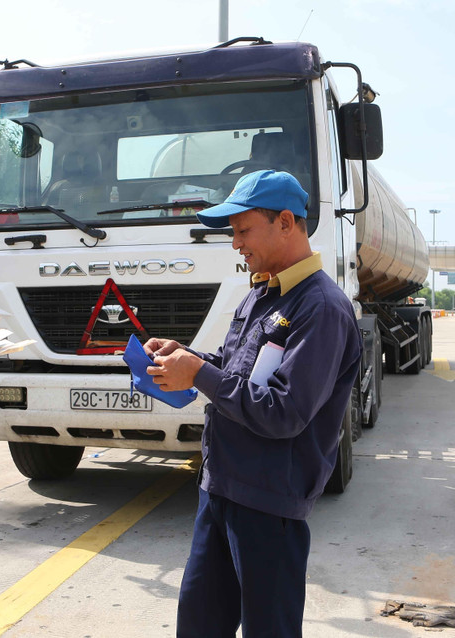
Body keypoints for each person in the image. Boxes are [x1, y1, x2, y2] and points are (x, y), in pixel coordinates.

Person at [144, 170, 362, 637]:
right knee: (200, 624)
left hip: (268, 504)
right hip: (220, 488)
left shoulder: (320, 308)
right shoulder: (263, 293)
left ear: (286, 222)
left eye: (243, 231)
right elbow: (234, 366)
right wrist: (186, 356)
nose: (236, 244)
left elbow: (283, 411)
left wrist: (198, 374)